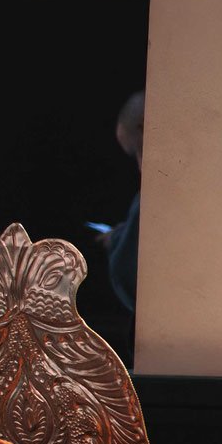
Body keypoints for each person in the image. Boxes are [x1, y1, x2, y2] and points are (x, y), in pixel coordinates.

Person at [103, 91, 144, 312]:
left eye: (139, 150)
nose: (140, 166)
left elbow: (129, 281)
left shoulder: (149, 202)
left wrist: (118, 240)